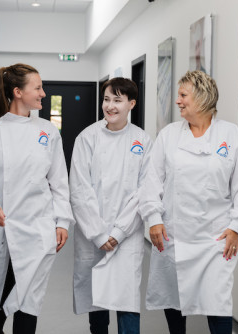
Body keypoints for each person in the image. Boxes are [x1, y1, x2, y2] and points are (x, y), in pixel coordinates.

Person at [140, 71, 238, 334]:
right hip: (174, 234)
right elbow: (151, 183)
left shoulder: (231, 135)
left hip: (215, 238)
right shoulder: (169, 136)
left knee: (218, 302)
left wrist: (237, 226)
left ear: (202, 98)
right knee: (173, 296)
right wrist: (154, 219)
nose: (178, 101)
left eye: (183, 95)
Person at [0, 63, 74, 334]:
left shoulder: (48, 131)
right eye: (37, 88)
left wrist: (62, 221)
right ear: (17, 92)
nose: (43, 94)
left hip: (36, 229)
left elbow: (59, 182)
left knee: (28, 302)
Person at [70, 77, 152, 334]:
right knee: (98, 303)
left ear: (131, 104)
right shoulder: (87, 138)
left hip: (127, 236)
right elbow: (79, 190)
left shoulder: (143, 141)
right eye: (106, 99)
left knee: (126, 299)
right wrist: (98, 234)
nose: (110, 106)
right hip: (92, 233)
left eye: (117, 100)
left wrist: (117, 234)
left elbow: (144, 192)